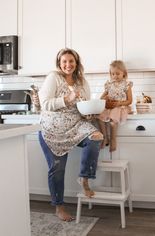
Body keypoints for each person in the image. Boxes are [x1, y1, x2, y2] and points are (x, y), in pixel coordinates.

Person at [38, 48, 103, 222]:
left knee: (95, 137)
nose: (68, 64)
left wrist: (92, 113)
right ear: (59, 63)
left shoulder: (82, 81)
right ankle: (59, 207)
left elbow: (84, 107)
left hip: (75, 124)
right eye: (64, 61)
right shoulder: (53, 77)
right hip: (52, 128)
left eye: (71, 61)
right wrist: (66, 99)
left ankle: (84, 178)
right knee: (57, 169)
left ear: (76, 63)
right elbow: (44, 104)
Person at [98, 60, 133, 152]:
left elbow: (129, 101)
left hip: (120, 107)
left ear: (124, 73)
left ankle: (113, 140)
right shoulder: (109, 85)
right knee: (99, 116)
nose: (115, 76)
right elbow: (101, 98)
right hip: (110, 106)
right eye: (113, 74)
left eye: (117, 73)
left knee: (113, 121)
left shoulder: (126, 85)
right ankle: (105, 137)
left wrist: (119, 103)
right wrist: (106, 97)